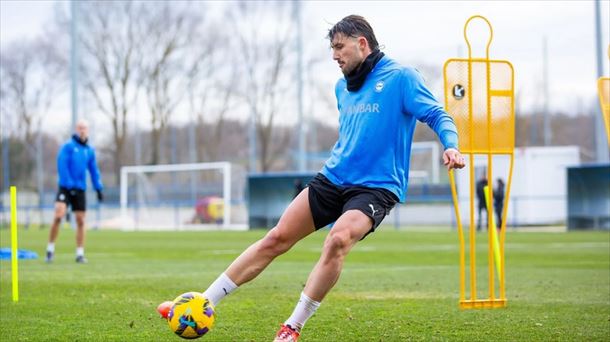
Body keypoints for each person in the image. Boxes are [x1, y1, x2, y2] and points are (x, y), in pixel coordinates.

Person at [159, 15, 465, 341]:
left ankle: (292, 327)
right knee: (276, 238)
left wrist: (451, 146)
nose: (334, 55)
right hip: (333, 178)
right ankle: (203, 302)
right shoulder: (341, 86)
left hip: (376, 188)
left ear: (362, 43)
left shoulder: (401, 77)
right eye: (332, 48)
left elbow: (437, 113)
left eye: (339, 47)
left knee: (338, 240)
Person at [45, 120, 103, 264]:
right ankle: (50, 249)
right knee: (59, 215)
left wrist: (98, 188)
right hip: (65, 186)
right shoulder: (68, 147)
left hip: (80, 189)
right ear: (76, 129)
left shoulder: (89, 150)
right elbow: (62, 165)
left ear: (88, 130)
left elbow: (93, 170)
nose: (82, 130)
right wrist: (69, 184)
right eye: (80, 128)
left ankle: (80, 254)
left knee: (81, 220)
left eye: (85, 128)